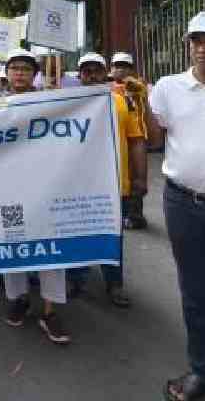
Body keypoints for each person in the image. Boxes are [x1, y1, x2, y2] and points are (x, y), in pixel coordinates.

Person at [141, 12, 205, 401]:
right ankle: (202, 372)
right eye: (196, 40)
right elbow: (153, 138)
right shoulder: (168, 87)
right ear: (189, 44)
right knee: (195, 294)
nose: (203, 48)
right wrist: (140, 104)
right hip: (182, 203)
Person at [0, 49, 71, 344]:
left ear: (34, 73)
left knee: (50, 246)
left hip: (44, 187)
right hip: (8, 190)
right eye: (15, 68)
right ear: (7, 72)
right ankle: (19, 298)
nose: (20, 73)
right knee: (13, 244)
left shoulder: (49, 101)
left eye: (26, 68)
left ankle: (49, 311)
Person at [66, 52, 146, 308]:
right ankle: (75, 280)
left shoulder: (123, 102)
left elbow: (136, 142)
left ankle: (115, 284)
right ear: (79, 76)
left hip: (114, 185)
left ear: (105, 74)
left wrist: (140, 179)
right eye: (86, 71)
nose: (91, 75)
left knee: (112, 238)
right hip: (75, 186)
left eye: (96, 70)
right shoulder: (65, 104)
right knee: (76, 235)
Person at [109, 51, 150, 229]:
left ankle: (135, 214)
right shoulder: (107, 89)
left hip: (138, 137)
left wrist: (136, 90)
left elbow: (142, 97)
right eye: (117, 66)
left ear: (131, 69)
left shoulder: (138, 87)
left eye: (125, 66)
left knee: (136, 179)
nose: (121, 70)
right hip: (119, 140)